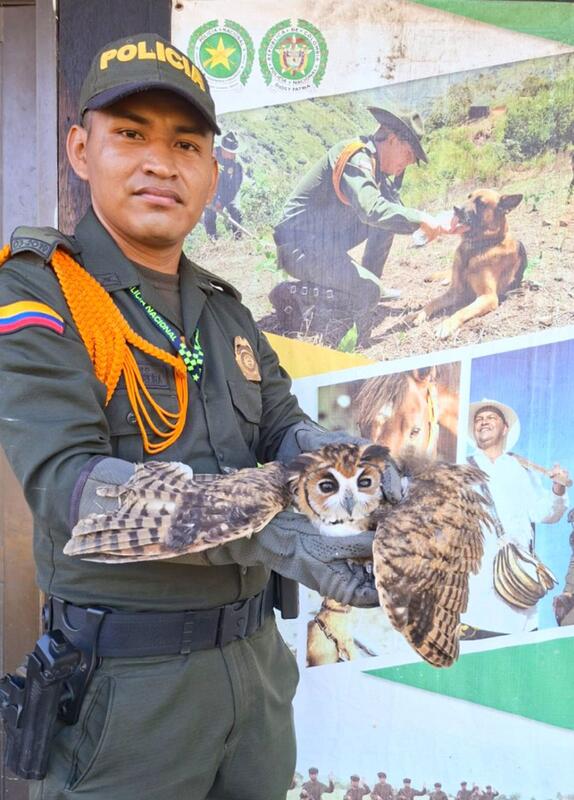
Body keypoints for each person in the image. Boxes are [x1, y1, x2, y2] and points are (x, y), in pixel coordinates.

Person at [0, 33, 394, 800]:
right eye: (130, 134)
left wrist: (360, 475)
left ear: (212, 171)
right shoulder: (40, 293)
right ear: (81, 149)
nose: (160, 162)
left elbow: (281, 425)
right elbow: (69, 486)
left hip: (256, 672)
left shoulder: (224, 309)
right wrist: (274, 530)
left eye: (185, 143)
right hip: (129, 694)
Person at [270, 104, 452, 342]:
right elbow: (371, 210)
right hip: (298, 247)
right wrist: (420, 219)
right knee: (368, 291)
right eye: (409, 155)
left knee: (385, 227)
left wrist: (441, 225)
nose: (408, 164)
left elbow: (393, 212)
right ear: (393, 140)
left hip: (320, 244)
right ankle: (292, 295)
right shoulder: (356, 157)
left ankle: (367, 285)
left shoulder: (376, 169)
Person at [461, 399, 569, 638]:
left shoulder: (521, 469)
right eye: (479, 419)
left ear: (505, 429)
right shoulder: (460, 469)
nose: (483, 422)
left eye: (491, 418)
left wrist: (558, 489)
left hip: (517, 595)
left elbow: (546, 513)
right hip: (474, 597)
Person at [203, 130, 244, 240]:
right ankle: (213, 240)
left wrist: (221, 202)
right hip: (212, 190)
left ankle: (238, 239)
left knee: (236, 211)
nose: (233, 155)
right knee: (209, 215)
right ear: (223, 149)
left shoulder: (237, 164)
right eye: (230, 152)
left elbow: (234, 188)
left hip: (229, 191)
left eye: (234, 152)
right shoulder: (212, 155)